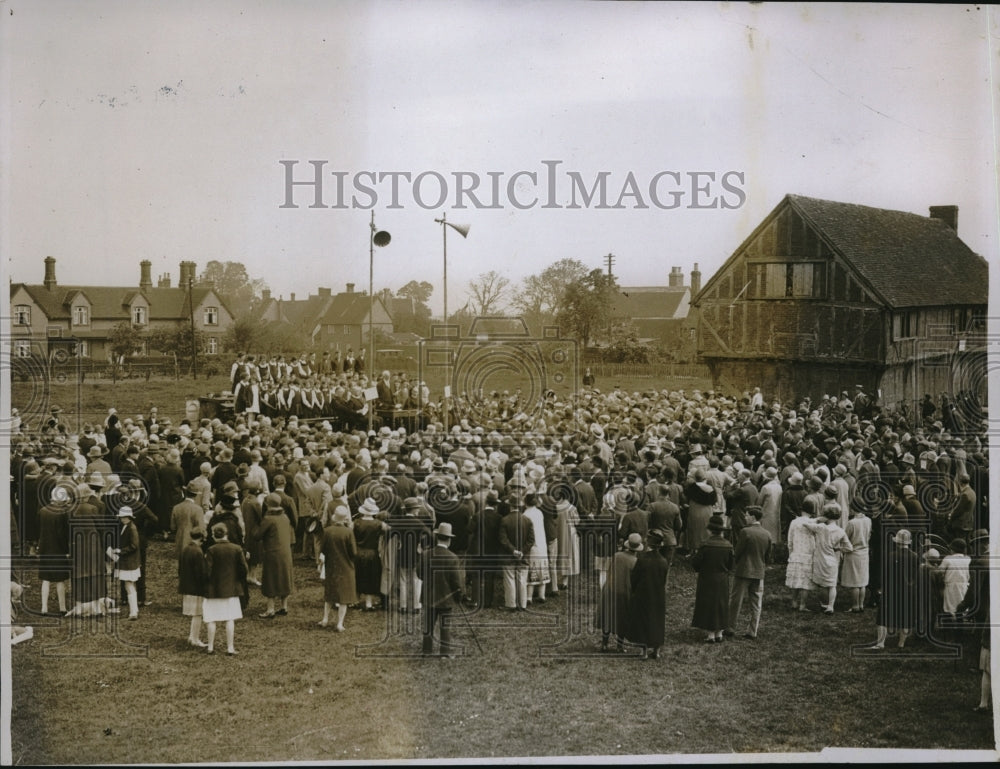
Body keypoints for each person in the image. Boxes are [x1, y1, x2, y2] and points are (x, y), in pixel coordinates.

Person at [726, 506, 772, 640]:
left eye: (746, 515)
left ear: (752, 517)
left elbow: (738, 552)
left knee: (736, 600)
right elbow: (768, 556)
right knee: (756, 603)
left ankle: (730, 627)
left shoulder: (745, 532)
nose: (745, 517)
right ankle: (753, 630)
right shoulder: (767, 534)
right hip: (759, 571)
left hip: (743, 571)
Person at [420, 522, 464, 659]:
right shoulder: (452, 558)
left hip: (428, 596)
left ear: (437, 537)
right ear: (449, 540)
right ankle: (444, 653)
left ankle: (426, 651)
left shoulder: (426, 554)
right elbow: (456, 582)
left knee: (428, 626)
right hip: (446, 598)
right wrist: (459, 596)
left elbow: (419, 573)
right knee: (445, 627)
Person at [203, 522, 248, 655]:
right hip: (231, 588)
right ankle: (230, 648)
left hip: (214, 589)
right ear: (226, 534)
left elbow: (207, 572)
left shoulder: (211, 550)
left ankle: (210, 647)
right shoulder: (237, 548)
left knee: (211, 619)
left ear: (213, 535)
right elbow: (244, 569)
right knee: (230, 618)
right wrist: (237, 579)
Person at [869, 528, 918, 650]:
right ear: (909, 542)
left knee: (883, 617)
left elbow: (885, 574)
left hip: (891, 589)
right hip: (908, 590)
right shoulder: (915, 556)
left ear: (897, 542)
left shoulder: (891, 556)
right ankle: (901, 643)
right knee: (906, 617)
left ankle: (880, 643)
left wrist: (881, 588)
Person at [691, 514, 734, 643]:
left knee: (708, 604)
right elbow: (731, 565)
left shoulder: (705, 545)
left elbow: (696, 563)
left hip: (707, 578)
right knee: (721, 604)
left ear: (709, 530)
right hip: (722, 579)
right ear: (721, 531)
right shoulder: (728, 545)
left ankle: (710, 635)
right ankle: (719, 633)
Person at [597, 532, 642, 652]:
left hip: (610, 588)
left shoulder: (616, 556)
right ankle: (619, 646)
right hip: (624, 591)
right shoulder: (636, 561)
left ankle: (604, 644)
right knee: (622, 618)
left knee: (608, 616)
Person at [628, 529, 670, 659]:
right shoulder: (664, 561)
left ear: (649, 543)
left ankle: (643, 651)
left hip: (643, 594)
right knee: (657, 620)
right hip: (658, 594)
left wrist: (634, 590)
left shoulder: (642, 559)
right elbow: (664, 580)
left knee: (643, 620)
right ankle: (656, 651)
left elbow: (633, 578)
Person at [807, 503, 853, 614]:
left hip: (821, 559)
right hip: (832, 559)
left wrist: (818, 519)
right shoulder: (840, 531)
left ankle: (824, 604)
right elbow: (849, 548)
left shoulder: (821, 528)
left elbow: (806, 523)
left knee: (822, 584)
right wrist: (837, 548)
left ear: (826, 516)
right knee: (832, 585)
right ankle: (831, 606)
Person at [255, 493, 295, 618]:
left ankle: (270, 609)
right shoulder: (285, 517)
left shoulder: (268, 519)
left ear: (267, 504)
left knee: (270, 579)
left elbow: (258, 536)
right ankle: (284, 606)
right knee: (284, 578)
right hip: (286, 552)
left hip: (272, 552)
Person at [318, 507, 357, 632]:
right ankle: (339, 623)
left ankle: (325, 619)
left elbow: (322, 549)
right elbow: (354, 552)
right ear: (345, 518)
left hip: (332, 565)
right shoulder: (348, 532)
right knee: (344, 597)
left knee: (329, 593)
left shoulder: (327, 531)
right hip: (346, 566)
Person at [37, 486, 71, 616]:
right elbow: (64, 534)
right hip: (59, 550)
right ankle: (62, 607)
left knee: (45, 579)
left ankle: (44, 607)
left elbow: (38, 530)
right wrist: (67, 550)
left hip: (45, 549)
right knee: (60, 580)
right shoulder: (63, 513)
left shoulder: (42, 511)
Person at [498, 490, 535, 611]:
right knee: (522, 579)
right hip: (523, 556)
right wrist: (522, 551)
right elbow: (531, 540)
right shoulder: (528, 520)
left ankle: (511, 604)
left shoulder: (504, 520)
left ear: (511, 505)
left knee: (509, 579)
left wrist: (513, 551)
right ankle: (522, 604)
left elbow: (503, 540)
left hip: (508, 555)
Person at [178, 529, 209, 648]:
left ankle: (192, 636)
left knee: (195, 614)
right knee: (198, 614)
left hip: (186, 585)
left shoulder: (185, 549)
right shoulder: (198, 551)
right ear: (201, 538)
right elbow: (201, 573)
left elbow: (180, 569)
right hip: (196, 588)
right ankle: (195, 638)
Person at [785, 499, 817, 611]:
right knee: (805, 581)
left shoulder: (794, 522)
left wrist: (790, 552)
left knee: (795, 578)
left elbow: (790, 540)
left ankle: (794, 602)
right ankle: (803, 605)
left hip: (796, 553)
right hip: (808, 554)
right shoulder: (813, 523)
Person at [353, 498, 384, 611]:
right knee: (371, 577)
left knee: (357, 575)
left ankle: (355, 600)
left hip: (358, 552)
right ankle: (369, 603)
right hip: (372, 553)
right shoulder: (379, 524)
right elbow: (389, 530)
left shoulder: (356, 523)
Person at [112, 506, 142, 621]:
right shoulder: (125, 526)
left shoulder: (132, 528)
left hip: (129, 562)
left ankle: (133, 612)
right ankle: (134, 609)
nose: (121, 519)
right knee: (130, 585)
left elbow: (134, 546)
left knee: (128, 585)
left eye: (123, 517)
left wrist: (120, 551)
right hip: (127, 561)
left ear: (128, 517)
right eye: (121, 517)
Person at [841, 506, 872, 612]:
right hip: (864, 552)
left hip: (853, 552)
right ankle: (861, 605)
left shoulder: (852, 523)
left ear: (854, 509)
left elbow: (845, 537)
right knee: (862, 581)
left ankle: (855, 606)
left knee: (854, 581)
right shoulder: (868, 520)